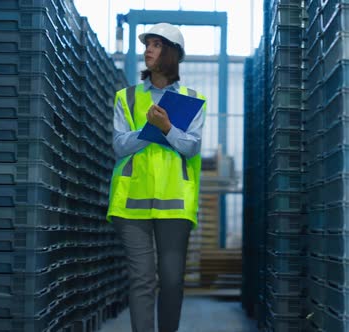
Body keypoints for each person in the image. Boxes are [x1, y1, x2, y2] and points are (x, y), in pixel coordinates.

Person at [106, 22, 206, 332]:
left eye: (157, 44)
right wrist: (151, 131)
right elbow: (119, 144)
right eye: (147, 44)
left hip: (174, 203)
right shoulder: (127, 97)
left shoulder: (191, 99)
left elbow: (191, 146)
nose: (148, 49)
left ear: (173, 54)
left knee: (173, 280)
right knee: (142, 279)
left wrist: (167, 128)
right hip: (131, 201)